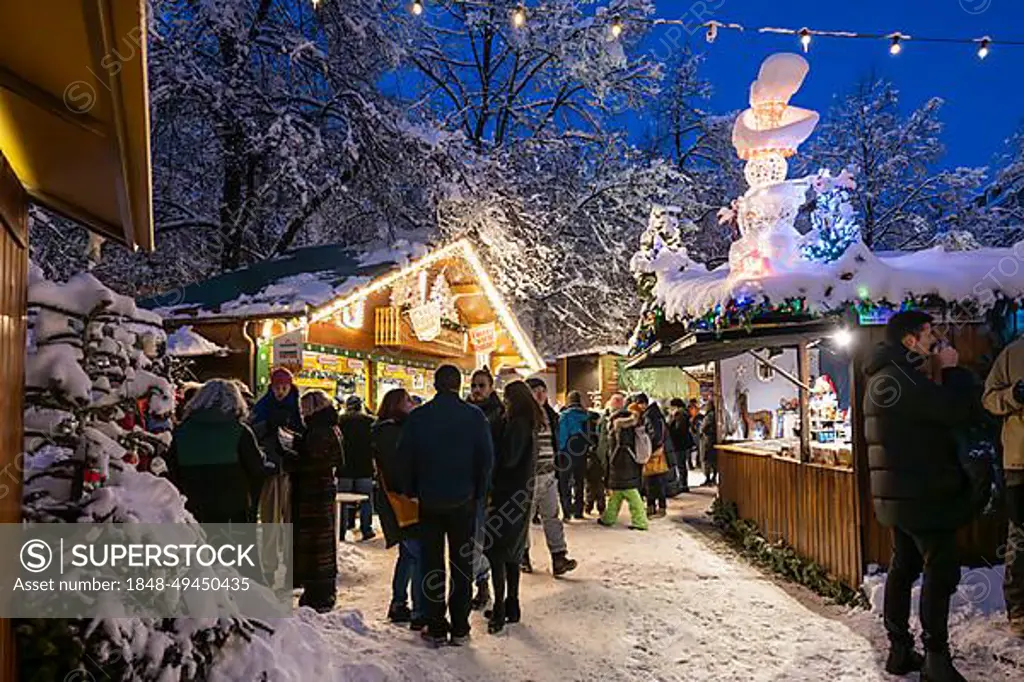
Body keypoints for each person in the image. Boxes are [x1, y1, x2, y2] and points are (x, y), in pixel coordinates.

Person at [863, 310, 980, 681]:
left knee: (904, 568)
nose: (937, 339)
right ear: (910, 340)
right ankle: (936, 659)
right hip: (923, 496)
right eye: (930, 333)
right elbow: (957, 411)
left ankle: (900, 650)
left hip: (902, 497)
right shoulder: (901, 379)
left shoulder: (887, 376)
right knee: (940, 571)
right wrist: (952, 370)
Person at [396, 365, 494, 646]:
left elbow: (405, 457)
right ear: (459, 384)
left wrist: (412, 490)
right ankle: (461, 627)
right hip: (463, 502)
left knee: (432, 564)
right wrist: (480, 493)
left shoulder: (420, 417)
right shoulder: (474, 417)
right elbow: (486, 460)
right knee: (462, 564)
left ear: (436, 385)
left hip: (429, 501)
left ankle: (436, 623)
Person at [484, 380, 541, 634]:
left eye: (506, 399)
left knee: (498, 552)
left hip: (509, 495)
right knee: (513, 553)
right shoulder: (529, 422)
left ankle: (499, 609)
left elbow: (509, 459)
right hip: (521, 494)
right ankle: (512, 605)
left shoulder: (517, 424)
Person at [167, 379, 267, 523]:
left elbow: (171, 470)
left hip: (193, 510)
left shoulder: (181, 432)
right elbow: (256, 467)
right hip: (233, 513)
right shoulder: (239, 432)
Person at [371, 388, 426, 629]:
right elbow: (396, 470)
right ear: (396, 404)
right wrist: (411, 492)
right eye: (407, 400)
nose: (412, 403)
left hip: (396, 500)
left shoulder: (387, 429)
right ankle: (418, 610)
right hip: (402, 502)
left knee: (408, 554)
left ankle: (399, 603)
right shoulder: (391, 432)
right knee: (418, 554)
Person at [982, 335, 1024, 638]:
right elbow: (989, 399)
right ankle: (1019, 612)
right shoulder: (1013, 354)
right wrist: (1014, 395)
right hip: (1020, 463)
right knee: (1020, 536)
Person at [293, 390, 344, 612]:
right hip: (322, 490)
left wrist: (293, 454)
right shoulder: (329, 427)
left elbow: (314, 461)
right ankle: (322, 589)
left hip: (314, 492)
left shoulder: (318, 431)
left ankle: (319, 592)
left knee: (315, 540)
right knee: (321, 539)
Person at [523, 377, 578, 576]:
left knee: (552, 516)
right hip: (527, 478)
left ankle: (559, 557)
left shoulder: (552, 416)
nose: (539, 394)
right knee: (524, 520)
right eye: (534, 390)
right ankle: (523, 555)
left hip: (549, 474)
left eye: (542, 390)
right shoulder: (522, 416)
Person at [468, 368, 504, 612]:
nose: (477, 390)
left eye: (482, 385)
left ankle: (483, 583)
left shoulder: (499, 414)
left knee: (479, 539)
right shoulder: (464, 412)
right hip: (465, 484)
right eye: (474, 385)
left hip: (488, 486)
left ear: (491, 387)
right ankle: (479, 581)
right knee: (469, 539)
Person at [251, 367, 302, 524]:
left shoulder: (298, 407)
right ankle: (271, 548)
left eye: (284, 388)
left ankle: (288, 547)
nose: (280, 392)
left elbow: (303, 432)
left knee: (290, 515)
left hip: (292, 467)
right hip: (271, 466)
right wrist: (267, 425)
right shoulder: (263, 406)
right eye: (277, 388)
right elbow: (252, 432)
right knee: (270, 515)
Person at [598, 398, 649, 531]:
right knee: (618, 493)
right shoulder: (629, 422)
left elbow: (619, 446)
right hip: (628, 462)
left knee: (630, 492)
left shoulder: (620, 424)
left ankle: (640, 521)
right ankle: (608, 518)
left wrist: (611, 461)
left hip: (622, 463)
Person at [337, 395, 376, 542]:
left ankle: (341, 530)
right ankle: (366, 529)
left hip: (344, 466)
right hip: (364, 466)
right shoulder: (369, 421)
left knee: (343, 501)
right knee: (366, 500)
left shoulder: (340, 421)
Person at [634, 394, 669, 518]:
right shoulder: (656, 413)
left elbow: (655, 435)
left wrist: (650, 449)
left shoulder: (649, 415)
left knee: (652, 481)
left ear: (642, 403)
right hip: (658, 452)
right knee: (656, 481)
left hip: (653, 453)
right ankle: (657, 507)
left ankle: (654, 507)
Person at [558, 391, 592, 519]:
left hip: (567, 452)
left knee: (564, 482)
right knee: (579, 482)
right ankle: (579, 511)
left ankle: (566, 511)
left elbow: (562, 436)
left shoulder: (564, 416)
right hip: (582, 453)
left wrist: (560, 451)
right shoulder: (587, 416)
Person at [589, 393, 625, 515]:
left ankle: (606, 510)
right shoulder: (605, 418)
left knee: (609, 484)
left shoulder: (611, 418)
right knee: (603, 483)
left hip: (614, 456)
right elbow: (601, 438)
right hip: (606, 455)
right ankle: (604, 509)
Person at [666, 398, 693, 489]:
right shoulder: (684, 413)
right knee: (682, 464)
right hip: (684, 442)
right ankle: (683, 484)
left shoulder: (680, 414)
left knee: (680, 464)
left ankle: (683, 485)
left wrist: (670, 422)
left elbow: (678, 430)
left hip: (679, 443)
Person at [699, 402, 719, 486]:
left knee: (706, 459)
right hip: (715, 440)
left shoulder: (709, 416)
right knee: (714, 460)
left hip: (707, 440)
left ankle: (707, 478)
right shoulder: (717, 415)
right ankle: (714, 477)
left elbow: (703, 428)